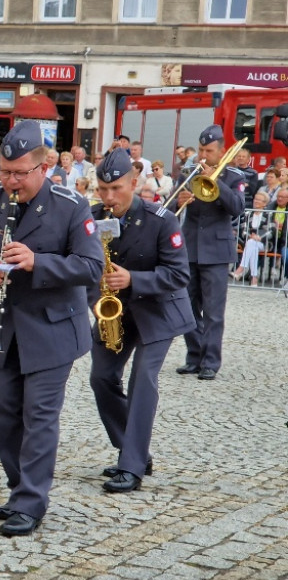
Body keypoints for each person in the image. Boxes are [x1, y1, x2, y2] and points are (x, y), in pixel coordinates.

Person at [0, 120, 102, 536]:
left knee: (39, 416)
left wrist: (39, 261)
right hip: (4, 326)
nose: (11, 181)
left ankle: (31, 501)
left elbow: (91, 267)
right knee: (2, 414)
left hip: (52, 327)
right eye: (4, 171)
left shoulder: (70, 206)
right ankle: (20, 486)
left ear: (43, 167)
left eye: (20, 173)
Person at [88, 150, 195, 493]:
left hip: (159, 309)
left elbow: (179, 274)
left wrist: (134, 279)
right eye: (102, 189)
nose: (108, 197)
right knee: (101, 377)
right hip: (116, 309)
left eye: (116, 189)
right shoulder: (93, 216)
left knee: (142, 379)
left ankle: (131, 465)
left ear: (134, 183)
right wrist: (93, 299)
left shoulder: (160, 219)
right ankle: (132, 449)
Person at [175, 125, 246, 381]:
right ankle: (193, 357)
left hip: (216, 251)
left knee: (214, 312)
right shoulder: (188, 172)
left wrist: (216, 180)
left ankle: (211, 362)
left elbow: (237, 208)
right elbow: (172, 203)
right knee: (187, 307)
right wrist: (179, 201)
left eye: (209, 151)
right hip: (190, 248)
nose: (204, 156)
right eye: (201, 150)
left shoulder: (234, 177)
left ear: (221, 151)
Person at [233, 190, 271, 286]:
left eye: (259, 200)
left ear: (265, 203)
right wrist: (250, 236)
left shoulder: (268, 215)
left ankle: (240, 269)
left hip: (264, 243)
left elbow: (271, 231)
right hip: (249, 242)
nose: (256, 201)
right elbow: (243, 230)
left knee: (251, 243)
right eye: (255, 199)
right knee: (252, 246)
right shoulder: (248, 214)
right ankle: (254, 278)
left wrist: (259, 237)